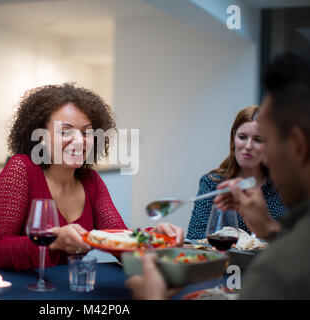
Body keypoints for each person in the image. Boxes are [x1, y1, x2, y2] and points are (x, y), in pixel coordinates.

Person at [126, 46, 310, 299]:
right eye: (242, 136)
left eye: (265, 140)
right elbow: (197, 240)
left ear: (298, 145)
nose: (252, 148)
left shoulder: (277, 271)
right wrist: (267, 229)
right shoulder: (214, 181)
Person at [0, 83, 184, 270]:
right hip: (25, 289)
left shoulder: (90, 180)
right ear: (41, 136)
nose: (79, 140)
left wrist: (153, 238)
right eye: (65, 131)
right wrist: (53, 242)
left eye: (86, 132)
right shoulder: (20, 169)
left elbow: (119, 240)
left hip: (68, 288)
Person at [186, 105, 286, 240]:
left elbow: (296, 240)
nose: (248, 146)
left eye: (258, 139)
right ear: (233, 137)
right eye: (242, 137)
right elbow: (195, 238)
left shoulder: (282, 187)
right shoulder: (213, 183)